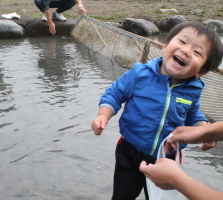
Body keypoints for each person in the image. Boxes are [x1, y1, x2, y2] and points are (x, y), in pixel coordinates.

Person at [91, 21, 223, 200]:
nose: (186, 51)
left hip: (165, 157)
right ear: (165, 45)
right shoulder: (140, 74)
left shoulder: (193, 89)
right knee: (122, 195)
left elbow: (192, 114)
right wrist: (103, 115)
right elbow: (114, 94)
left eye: (197, 52)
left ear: (201, 71)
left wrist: (203, 130)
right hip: (130, 151)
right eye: (182, 42)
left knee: (158, 197)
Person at [139, 122, 223, 200]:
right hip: (130, 152)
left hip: (168, 157)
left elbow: (193, 113)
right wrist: (207, 131)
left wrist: (176, 180)